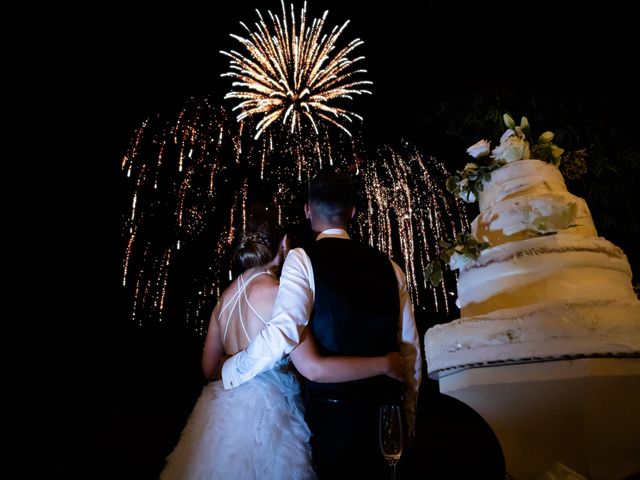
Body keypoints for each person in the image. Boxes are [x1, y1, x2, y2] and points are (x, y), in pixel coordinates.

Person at [160, 205, 404, 480]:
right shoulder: (279, 294)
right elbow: (315, 368)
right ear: (285, 243)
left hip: (222, 416)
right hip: (268, 416)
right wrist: (385, 363)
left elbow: (209, 369)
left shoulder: (224, 300)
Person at [222, 173, 422, 479]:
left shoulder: (301, 259)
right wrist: (407, 421)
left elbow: (283, 331)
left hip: (330, 422)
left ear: (307, 210)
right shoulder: (391, 266)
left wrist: (232, 371)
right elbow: (411, 354)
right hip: (386, 417)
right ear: (352, 212)